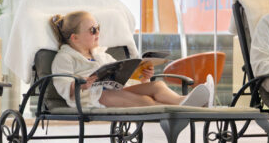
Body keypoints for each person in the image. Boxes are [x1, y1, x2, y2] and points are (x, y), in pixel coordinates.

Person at [49, 10, 214, 109]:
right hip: (95, 97)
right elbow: (61, 85)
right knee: (145, 102)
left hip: (115, 90)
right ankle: (186, 107)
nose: (98, 33)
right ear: (74, 38)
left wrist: (143, 77)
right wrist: (80, 84)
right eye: (92, 30)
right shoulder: (64, 57)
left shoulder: (101, 55)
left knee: (157, 85)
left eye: (98, 28)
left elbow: (123, 77)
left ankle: (184, 101)